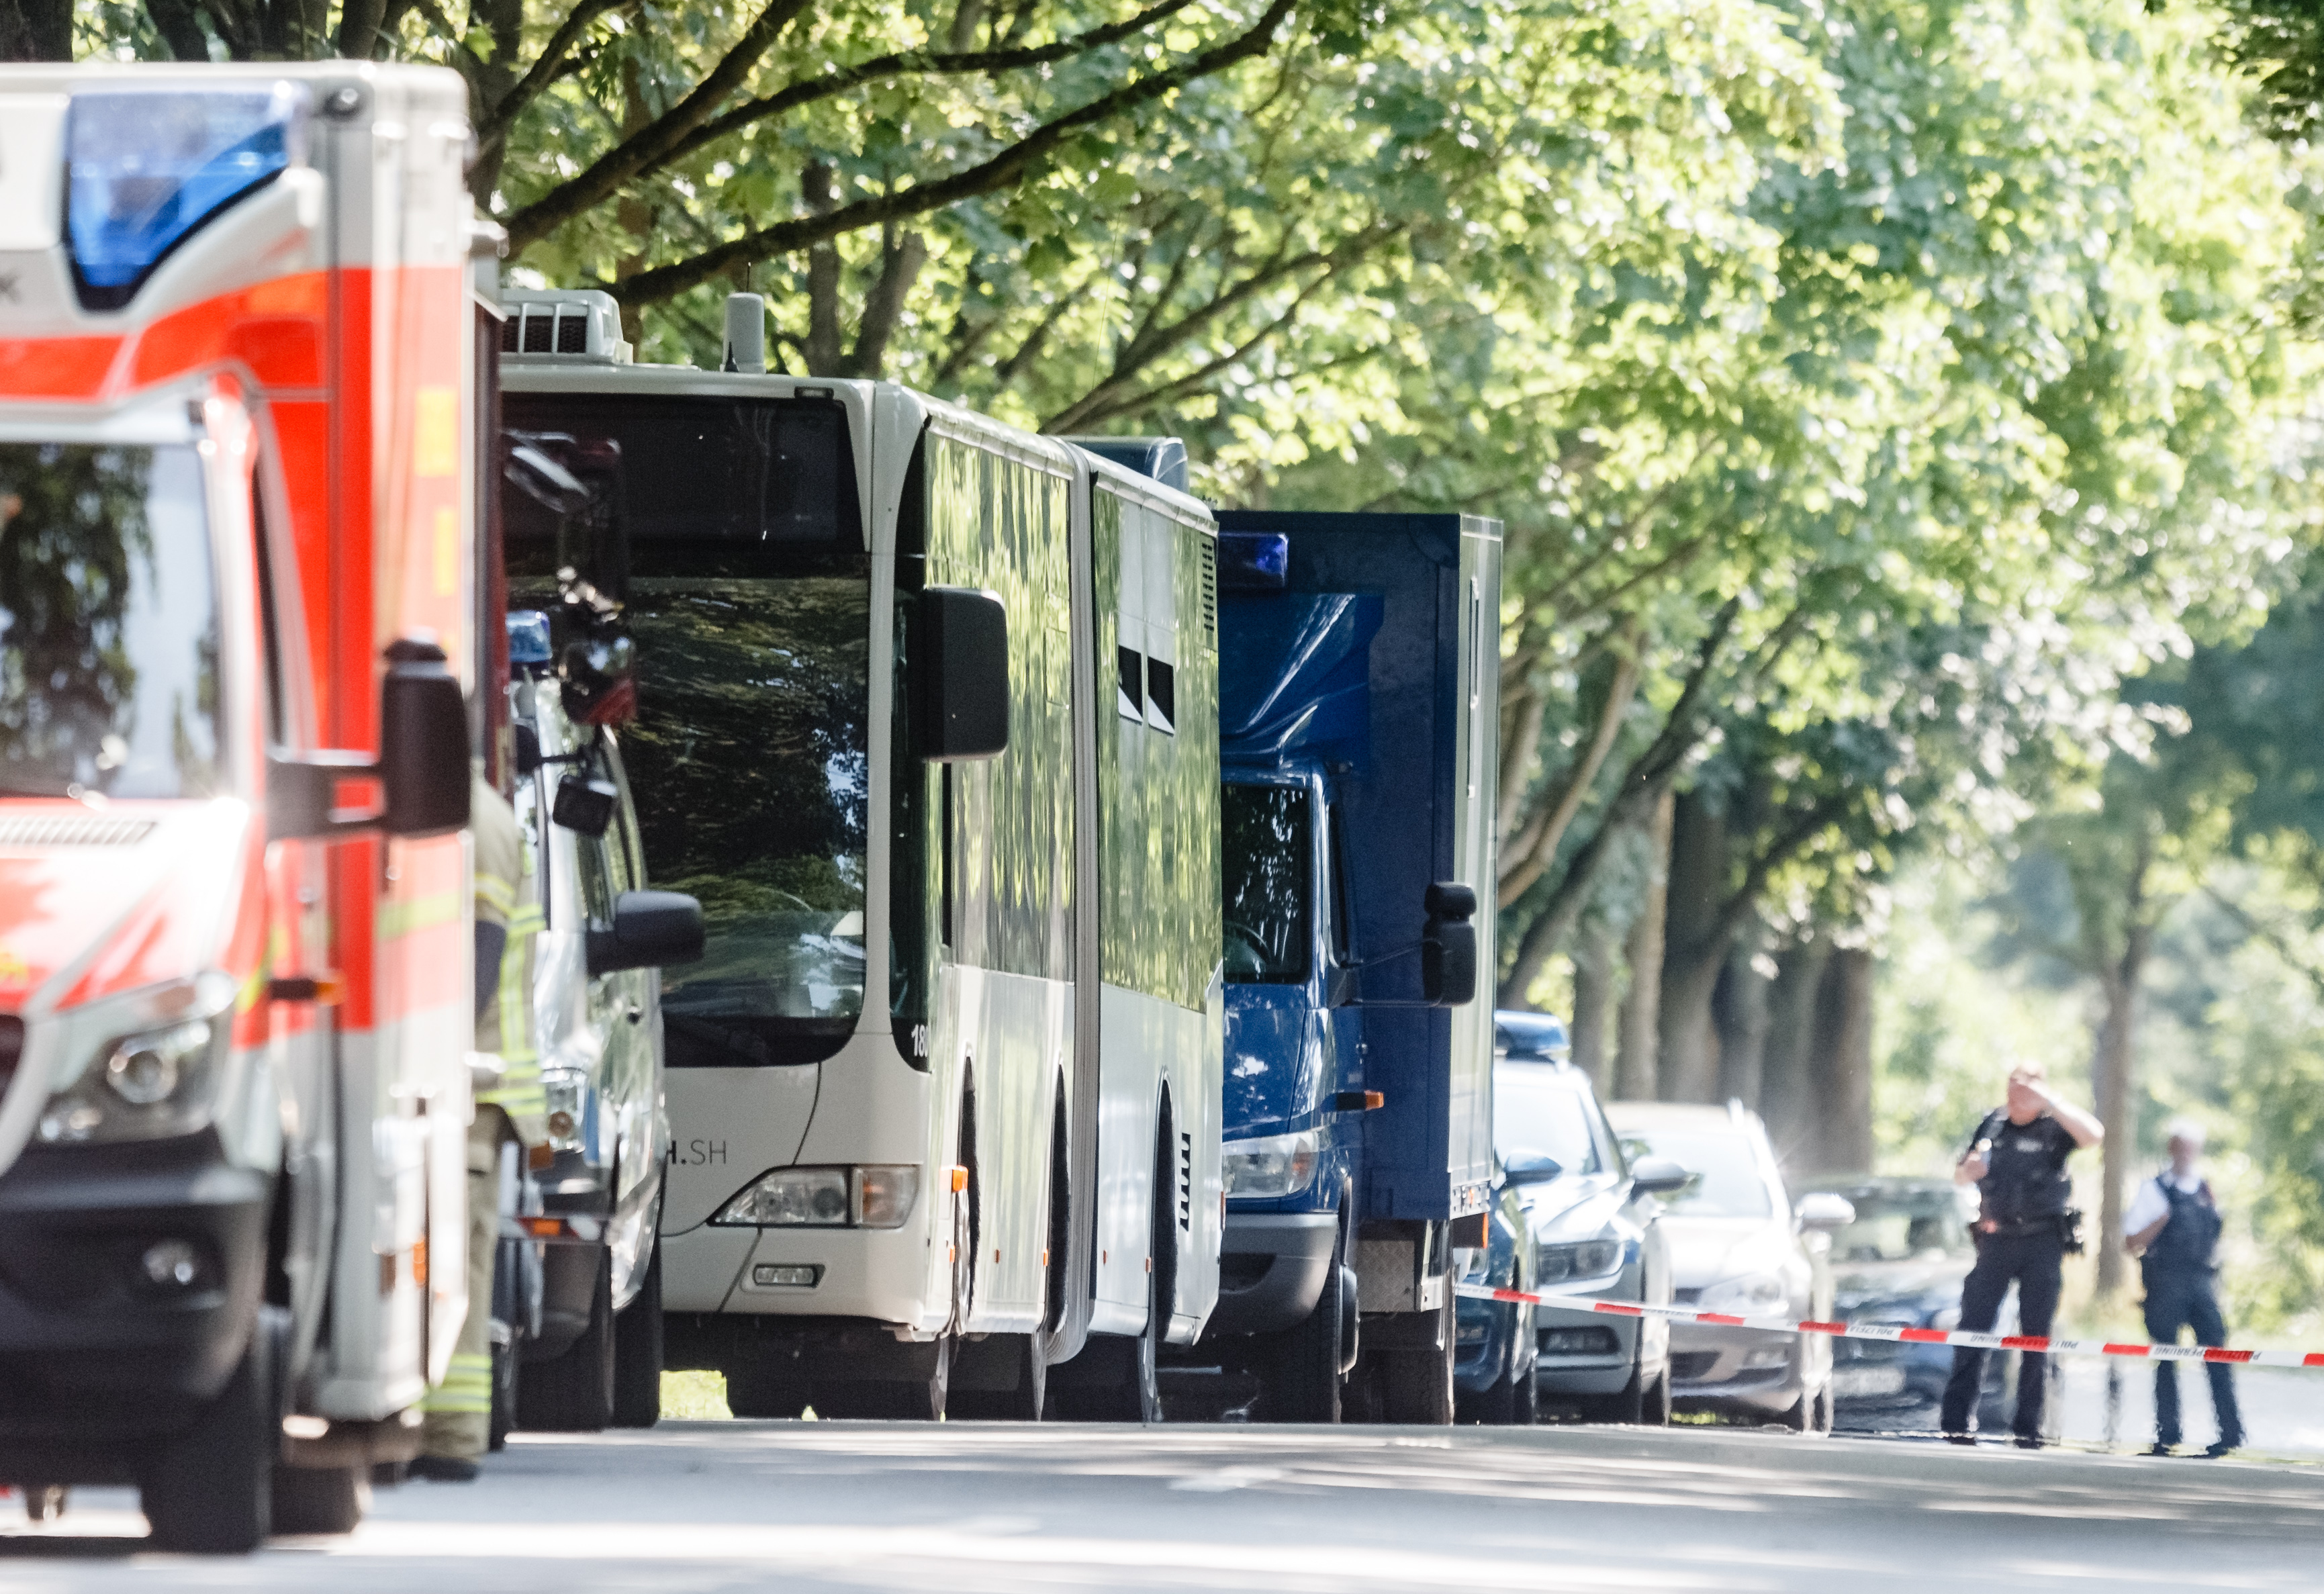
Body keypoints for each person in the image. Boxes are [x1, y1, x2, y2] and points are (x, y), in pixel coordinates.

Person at [414, 771, 543, 1481]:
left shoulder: (476, 817)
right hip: (465, 1082)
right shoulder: (468, 809)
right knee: (446, 1255)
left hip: (467, 1085)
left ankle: (450, 1434)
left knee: (451, 1259)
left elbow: (479, 962)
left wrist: (422, 1060)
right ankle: (439, 1428)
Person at [1941, 1062, 2104, 1447]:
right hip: (1996, 1241)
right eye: (2012, 1086)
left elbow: (2094, 1136)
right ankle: (1957, 1423)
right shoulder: (1992, 1125)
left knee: (2035, 1338)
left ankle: (2028, 1428)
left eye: (2027, 1088)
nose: (2017, 1095)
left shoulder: (2055, 1128)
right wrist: (1970, 1171)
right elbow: (1961, 1174)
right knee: (1974, 1328)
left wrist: (2051, 1101)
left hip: (2041, 1242)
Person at [2125, 1120, 2243, 1458]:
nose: (2186, 1154)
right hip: (2165, 1283)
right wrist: (2160, 1221)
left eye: (2191, 1148)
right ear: (2170, 1149)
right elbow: (2130, 1242)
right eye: (2180, 1147)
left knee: (2218, 1356)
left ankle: (2230, 1434)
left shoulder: (2207, 1189)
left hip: (2203, 1284)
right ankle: (2168, 1434)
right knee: (2165, 1358)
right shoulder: (2155, 1190)